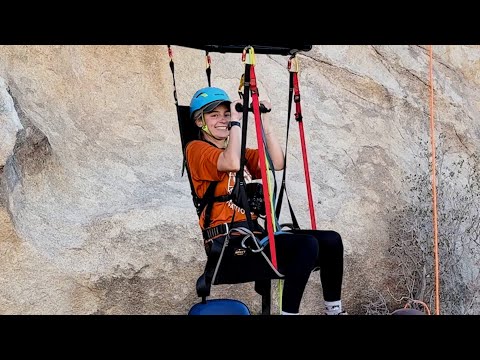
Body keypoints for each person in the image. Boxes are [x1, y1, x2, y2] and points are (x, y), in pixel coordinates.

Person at [185, 86, 346, 315]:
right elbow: (230, 162)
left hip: (253, 239)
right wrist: (236, 122)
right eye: (214, 115)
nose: (223, 120)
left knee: (331, 240)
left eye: (226, 114)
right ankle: (289, 313)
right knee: (306, 245)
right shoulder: (197, 150)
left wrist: (264, 118)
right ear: (200, 121)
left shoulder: (240, 151)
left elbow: (277, 162)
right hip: (227, 247)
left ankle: (334, 311)